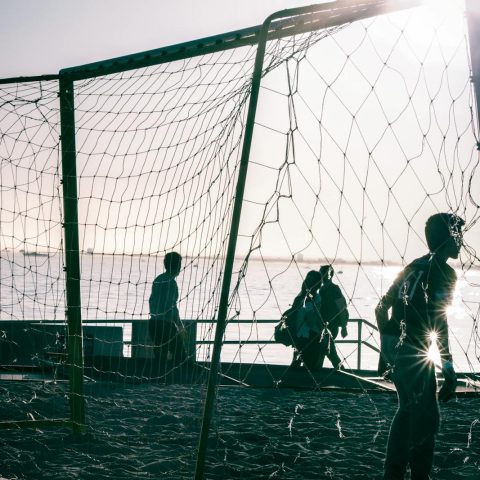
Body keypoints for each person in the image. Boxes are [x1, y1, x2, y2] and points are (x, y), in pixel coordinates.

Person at [375, 213, 464, 480]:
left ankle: (395, 472)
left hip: (399, 348)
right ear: (449, 238)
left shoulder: (412, 266)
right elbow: (440, 320)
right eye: (459, 235)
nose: (462, 241)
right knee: (427, 417)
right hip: (414, 350)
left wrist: (387, 344)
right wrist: (448, 366)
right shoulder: (445, 272)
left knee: (407, 410)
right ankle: (417, 474)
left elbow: (381, 307)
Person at [148, 251, 187, 365]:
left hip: (154, 323)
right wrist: (180, 326)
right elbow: (171, 307)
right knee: (180, 355)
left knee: (160, 357)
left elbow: (152, 301)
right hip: (165, 325)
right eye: (179, 264)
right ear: (176, 265)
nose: (180, 267)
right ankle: (173, 379)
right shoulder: (171, 283)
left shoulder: (158, 279)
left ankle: (159, 378)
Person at [290, 270, 325, 370]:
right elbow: (311, 321)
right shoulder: (314, 299)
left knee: (295, 365)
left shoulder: (298, 298)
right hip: (310, 337)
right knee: (310, 366)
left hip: (298, 336)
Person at [318, 265, 349, 369]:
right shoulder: (321, 289)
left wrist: (344, 327)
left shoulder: (334, 289)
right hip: (323, 325)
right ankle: (338, 369)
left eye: (321, 274)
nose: (320, 277)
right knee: (325, 350)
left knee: (327, 350)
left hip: (332, 326)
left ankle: (340, 370)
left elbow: (341, 308)